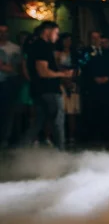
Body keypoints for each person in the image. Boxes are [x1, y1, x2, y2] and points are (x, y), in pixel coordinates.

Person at [21, 21, 73, 150]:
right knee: (57, 121)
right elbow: (43, 71)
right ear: (47, 31)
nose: (57, 36)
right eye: (56, 33)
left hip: (39, 90)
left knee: (38, 122)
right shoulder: (42, 46)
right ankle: (60, 152)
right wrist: (62, 74)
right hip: (48, 90)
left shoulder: (37, 46)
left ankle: (21, 149)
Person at [81, 31, 109, 142]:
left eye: (98, 38)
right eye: (93, 38)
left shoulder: (107, 52)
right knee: (92, 110)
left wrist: (108, 78)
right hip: (91, 87)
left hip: (106, 87)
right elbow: (83, 67)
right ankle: (92, 135)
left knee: (106, 110)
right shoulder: (85, 52)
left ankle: (106, 134)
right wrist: (93, 78)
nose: (96, 40)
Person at [55, 33, 80, 143]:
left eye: (69, 40)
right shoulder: (57, 54)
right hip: (60, 83)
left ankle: (71, 136)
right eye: (65, 40)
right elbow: (56, 67)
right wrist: (64, 79)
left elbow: (78, 68)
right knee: (59, 111)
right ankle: (57, 137)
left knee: (72, 111)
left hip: (73, 83)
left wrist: (72, 79)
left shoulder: (75, 54)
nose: (67, 43)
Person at [0, 22, 22, 148]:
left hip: (8, 85)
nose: (3, 34)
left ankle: (4, 140)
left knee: (7, 113)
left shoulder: (14, 48)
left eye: (5, 32)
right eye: (0, 32)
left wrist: (3, 66)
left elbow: (16, 69)